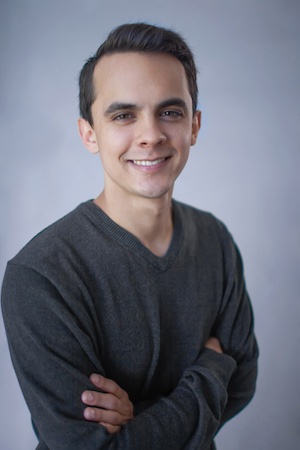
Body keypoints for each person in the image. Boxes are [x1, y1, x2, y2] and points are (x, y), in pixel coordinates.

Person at [1, 23, 259, 449]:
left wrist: (137, 419)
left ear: (194, 126)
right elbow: (87, 446)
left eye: (170, 112)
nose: (151, 134)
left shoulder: (215, 238)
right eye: (124, 115)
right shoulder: (40, 275)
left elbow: (244, 382)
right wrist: (211, 371)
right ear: (89, 133)